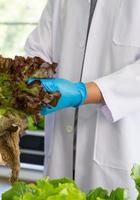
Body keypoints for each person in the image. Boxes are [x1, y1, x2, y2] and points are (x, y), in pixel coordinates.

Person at [25, 0, 140, 198]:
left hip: (119, 152)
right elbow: (38, 51)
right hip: (61, 152)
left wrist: (84, 92)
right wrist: (31, 79)